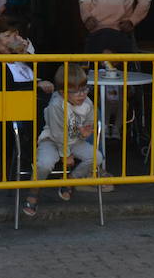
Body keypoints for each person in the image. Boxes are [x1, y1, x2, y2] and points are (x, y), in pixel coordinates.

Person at [24, 64, 112, 217]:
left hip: (74, 140)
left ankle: (70, 180)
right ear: (62, 92)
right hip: (51, 140)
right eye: (75, 91)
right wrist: (66, 155)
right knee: (44, 164)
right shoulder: (56, 105)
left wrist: (85, 131)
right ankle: (34, 192)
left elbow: (89, 123)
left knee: (96, 157)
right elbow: (58, 134)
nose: (82, 94)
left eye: (84, 89)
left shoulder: (87, 102)